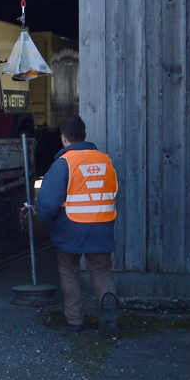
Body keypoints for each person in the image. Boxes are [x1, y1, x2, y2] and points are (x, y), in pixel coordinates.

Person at [30, 115, 120, 333]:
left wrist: (42, 217)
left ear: (63, 138)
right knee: (100, 271)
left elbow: (49, 202)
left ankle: (74, 320)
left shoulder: (63, 164)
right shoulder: (105, 161)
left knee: (69, 271)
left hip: (70, 229)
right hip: (102, 227)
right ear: (84, 136)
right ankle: (108, 300)